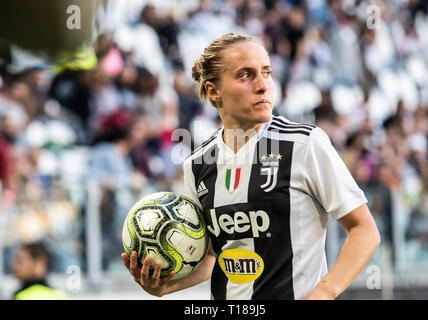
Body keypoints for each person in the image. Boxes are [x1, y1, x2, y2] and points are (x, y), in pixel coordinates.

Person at [122, 33, 380, 300]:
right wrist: (165, 287)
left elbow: (364, 230)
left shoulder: (303, 144)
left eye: (266, 73)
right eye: (246, 75)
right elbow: (211, 256)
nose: (262, 85)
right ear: (213, 90)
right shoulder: (198, 165)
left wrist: (324, 293)